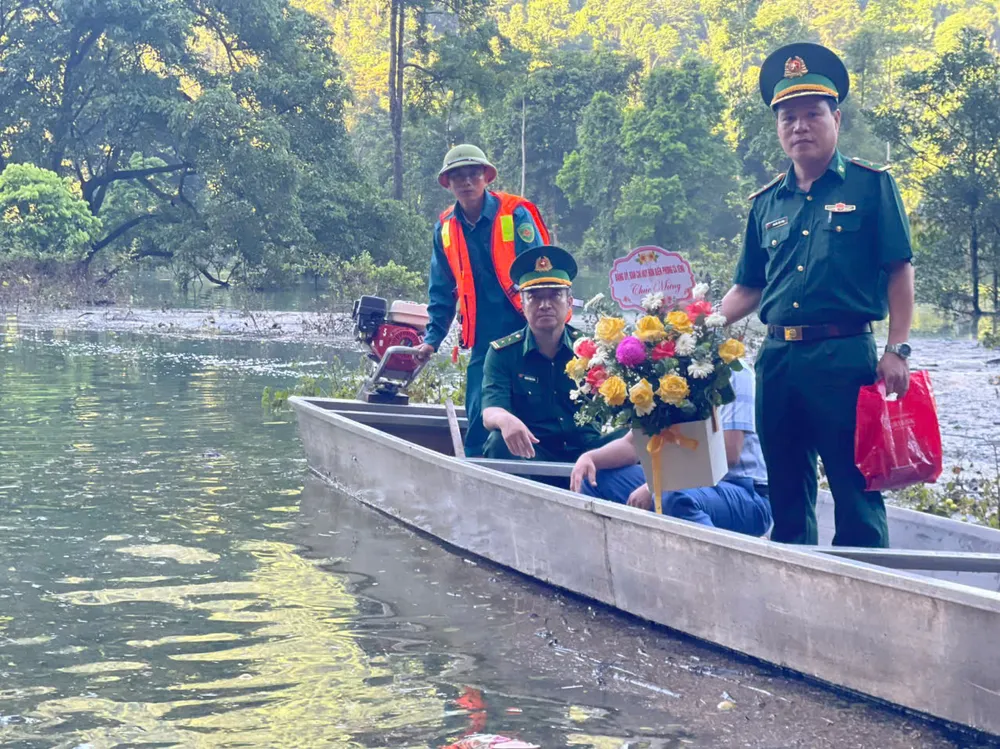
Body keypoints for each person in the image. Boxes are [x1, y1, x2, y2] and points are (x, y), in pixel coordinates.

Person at [719, 42, 915, 548]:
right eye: (788, 117)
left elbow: (898, 269)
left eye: (811, 114)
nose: (799, 126)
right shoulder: (766, 204)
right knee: (785, 485)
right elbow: (749, 287)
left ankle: (870, 594)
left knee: (856, 487)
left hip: (844, 357)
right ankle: (797, 595)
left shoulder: (872, 187)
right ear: (778, 127)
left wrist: (897, 348)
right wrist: (695, 326)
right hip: (778, 358)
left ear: (836, 119)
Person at [415, 144, 549, 458]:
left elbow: (542, 274)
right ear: (447, 183)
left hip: (527, 328)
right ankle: (478, 467)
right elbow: (441, 289)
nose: (467, 181)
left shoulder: (515, 214)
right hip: (483, 337)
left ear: (485, 177)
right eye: (457, 176)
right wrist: (432, 340)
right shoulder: (445, 228)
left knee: (539, 405)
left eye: (473, 173)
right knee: (479, 410)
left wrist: (547, 325)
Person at [569, 364, 773, 537]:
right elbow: (632, 446)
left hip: (744, 492)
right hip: (681, 484)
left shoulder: (732, 372)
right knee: (593, 479)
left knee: (674, 498)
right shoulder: (667, 370)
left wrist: (656, 485)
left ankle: (713, 574)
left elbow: (729, 454)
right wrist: (590, 458)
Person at [480, 245, 618, 462]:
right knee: (498, 442)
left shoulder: (593, 350)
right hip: (533, 453)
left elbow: (622, 404)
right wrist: (505, 419)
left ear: (569, 302)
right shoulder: (503, 354)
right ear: (522, 305)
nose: (545, 305)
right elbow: (491, 410)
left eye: (555, 295)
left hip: (590, 453)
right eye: (534, 297)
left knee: (641, 437)